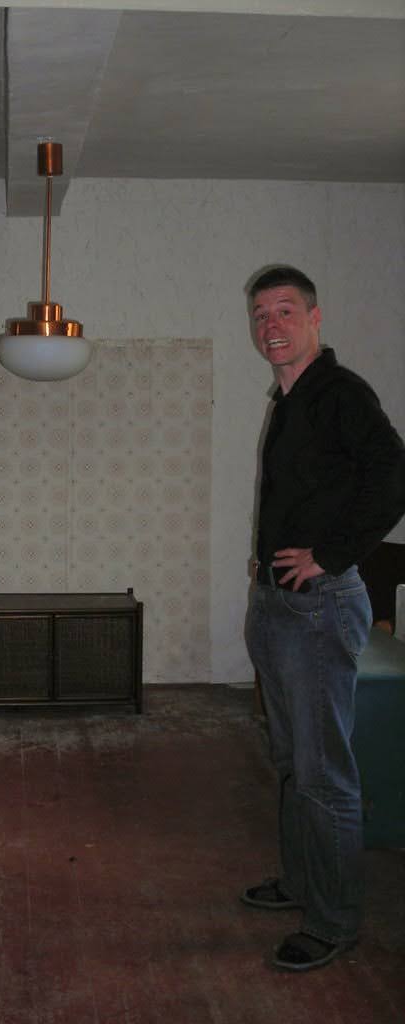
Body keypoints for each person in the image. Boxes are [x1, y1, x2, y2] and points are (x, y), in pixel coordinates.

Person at [242, 265, 405, 972]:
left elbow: (394, 475)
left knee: (323, 775)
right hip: (278, 605)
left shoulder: (339, 393)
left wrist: (331, 555)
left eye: (285, 311)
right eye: (260, 315)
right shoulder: (291, 400)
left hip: (317, 608)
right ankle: (301, 881)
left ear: (314, 318)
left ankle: (334, 921)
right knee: (291, 763)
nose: (270, 325)